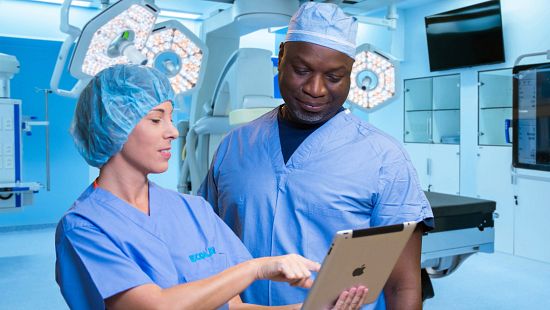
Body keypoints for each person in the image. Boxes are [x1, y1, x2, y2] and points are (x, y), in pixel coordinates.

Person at [55, 64, 367, 310]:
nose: (173, 132)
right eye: (155, 120)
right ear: (112, 126)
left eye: (171, 118)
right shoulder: (85, 227)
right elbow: (154, 307)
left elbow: (232, 307)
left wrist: (306, 309)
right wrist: (256, 269)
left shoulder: (193, 210)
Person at [199, 2, 434, 310]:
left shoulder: (384, 158)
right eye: (302, 70)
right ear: (281, 56)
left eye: (334, 77)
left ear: (351, 73)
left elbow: (402, 284)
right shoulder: (234, 147)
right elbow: (206, 246)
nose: (315, 89)